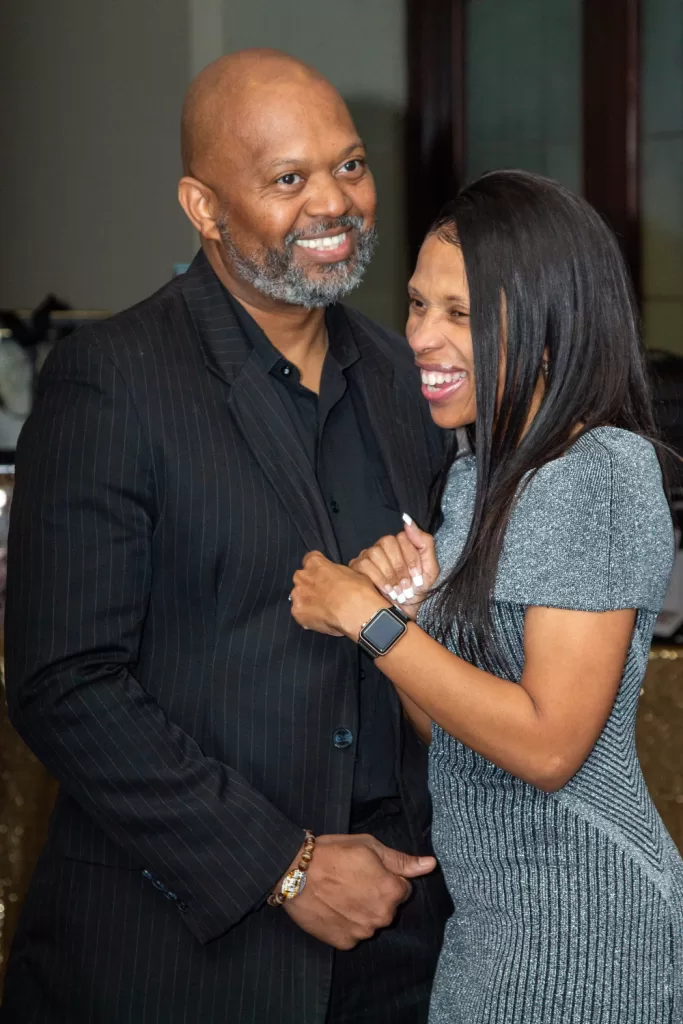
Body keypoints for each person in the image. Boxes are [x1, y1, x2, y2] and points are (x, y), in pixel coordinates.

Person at [1, 50, 450, 1024]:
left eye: (350, 165)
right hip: (184, 948)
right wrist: (283, 868)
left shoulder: (400, 377)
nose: (334, 202)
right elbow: (64, 682)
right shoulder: (110, 384)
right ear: (202, 207)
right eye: (288, 179)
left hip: (406, 938)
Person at [290, 170, 683, 1023]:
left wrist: (370, 620)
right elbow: (461, 738)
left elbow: (547, 749)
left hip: (588, 929)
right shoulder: (478, 477)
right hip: (493, 924)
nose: (422, 337)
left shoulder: (597, 474)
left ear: (548, 324)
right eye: (417, 305)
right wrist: (409, 612)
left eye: (461, 315)